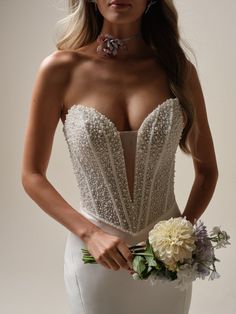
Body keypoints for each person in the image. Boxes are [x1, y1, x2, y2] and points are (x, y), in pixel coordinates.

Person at [21, 0, 219, 313]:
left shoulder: (177, 69)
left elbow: (207, 171)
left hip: (166, 263)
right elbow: (31, 175)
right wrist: (91, 234)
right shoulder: (60, 69)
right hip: (96, 256)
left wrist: (179, 237)